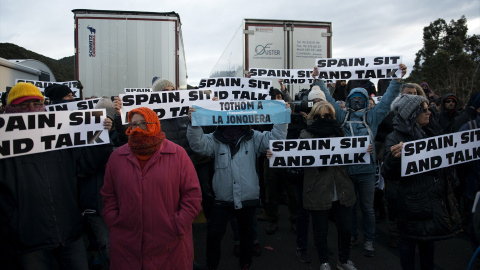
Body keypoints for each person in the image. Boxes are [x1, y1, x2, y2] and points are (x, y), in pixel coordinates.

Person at [0, 82, 112, 270]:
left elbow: (85, 164)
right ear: (10, 108)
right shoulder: (4, 146)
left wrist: (103, 134)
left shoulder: (60, 137)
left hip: (69, 233)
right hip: (28, 241)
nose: (31, 109)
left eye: (36, 104)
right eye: (23, 105)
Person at [311, 64, 407, 257]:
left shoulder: (373, 116)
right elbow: (328, 99)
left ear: (365, 101)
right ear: (347, 99)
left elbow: (387, 100)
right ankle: (353, 236)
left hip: (367, 172)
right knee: (350, 208)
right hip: (346, 172)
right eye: (353, 98)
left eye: (360, 98)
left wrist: (396, 80)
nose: (356, 101)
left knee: (367, 208)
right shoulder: (341, 116)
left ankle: (369, 241)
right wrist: (318, 80)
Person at [187, 104, 288, 270]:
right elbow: (199, 145)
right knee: (213, 236)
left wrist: (282, 118)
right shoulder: (214, 138)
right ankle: (212, 266)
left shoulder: (253, 136)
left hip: (247, 197)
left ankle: (245, 265)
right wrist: (194, 124)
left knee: (246, 237)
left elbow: (275, 140)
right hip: (222, 198)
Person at [101, 107, 202, 269]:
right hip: (127, 243)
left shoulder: (177, 154)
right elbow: (108, 195)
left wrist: (179, 224)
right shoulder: (117, 157)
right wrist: (114, 222)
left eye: (143, 123)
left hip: (170, 242)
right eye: (134, 124)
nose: (138, 128)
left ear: (154, 123)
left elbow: (192, 196)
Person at [382, 94, 460, 270]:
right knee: (408, 246)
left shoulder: (432, 133)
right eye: (424, 110)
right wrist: (394, 159)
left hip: (431, 201)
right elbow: (388, 172)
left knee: (428, 247)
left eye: (429, 109)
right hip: (411, 205)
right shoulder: (395, 138)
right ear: (412, 113)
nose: (429, 113)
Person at [294, 101, 358, 270]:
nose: (324, 119)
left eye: (327, 116)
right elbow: (296, 157)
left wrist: (364, 150)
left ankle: (343, 260)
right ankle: (324, 261)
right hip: (318, 187)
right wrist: (276, 154)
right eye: (319, 116)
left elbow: (349, 155)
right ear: (312, 117)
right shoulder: (306, 135)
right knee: (320, 230)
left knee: (345, 228)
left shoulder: (339, 133)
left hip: (341, 186)